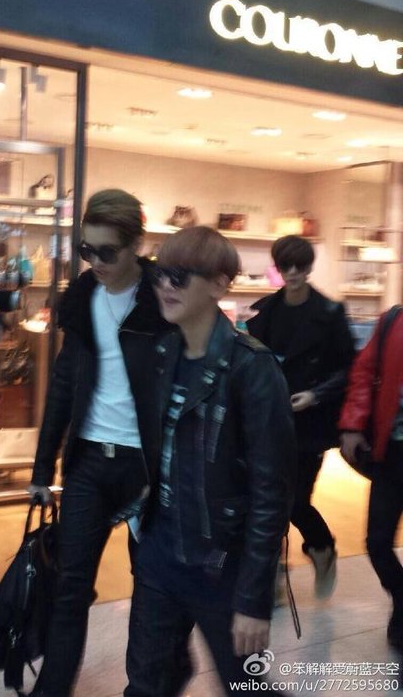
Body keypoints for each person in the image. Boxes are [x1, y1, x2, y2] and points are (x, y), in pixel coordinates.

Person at [124, 226, 295, 697]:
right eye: (160, 275)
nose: (165, 286)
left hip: (222, 565)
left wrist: (254, 598)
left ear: (219, 284)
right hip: (160, 556)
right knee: (145, 685)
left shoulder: (252, 368)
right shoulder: (164, 353)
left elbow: (271, 493)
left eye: (180, 277)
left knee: (246, 688)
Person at [29, 188, 170, 697]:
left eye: (107, 251)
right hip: (89, 460)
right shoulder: (83, 298)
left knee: (151, 589)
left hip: (147, 468)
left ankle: (147, 686)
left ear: (138, 245)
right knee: (70, 587)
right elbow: (64, 385)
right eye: (87, 250)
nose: (96, 262)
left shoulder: (164, 300)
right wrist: (42, 469)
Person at [247, 235, 355, 599]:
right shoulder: (266, 311)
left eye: (300, 266)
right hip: (269, 419)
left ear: (309, 267)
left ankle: (321, 547)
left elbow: (349, 369)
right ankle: (274, 577)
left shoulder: (329, 313)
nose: (293, 273)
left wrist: (315, 395)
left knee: (294, 500)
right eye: (285, 266)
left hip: (310, 426)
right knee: (267, 499)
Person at [339, 308, 403, 651]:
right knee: (377, 541)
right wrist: (352, 424)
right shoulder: (393, 321)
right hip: (392, 454)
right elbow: (364, 373)